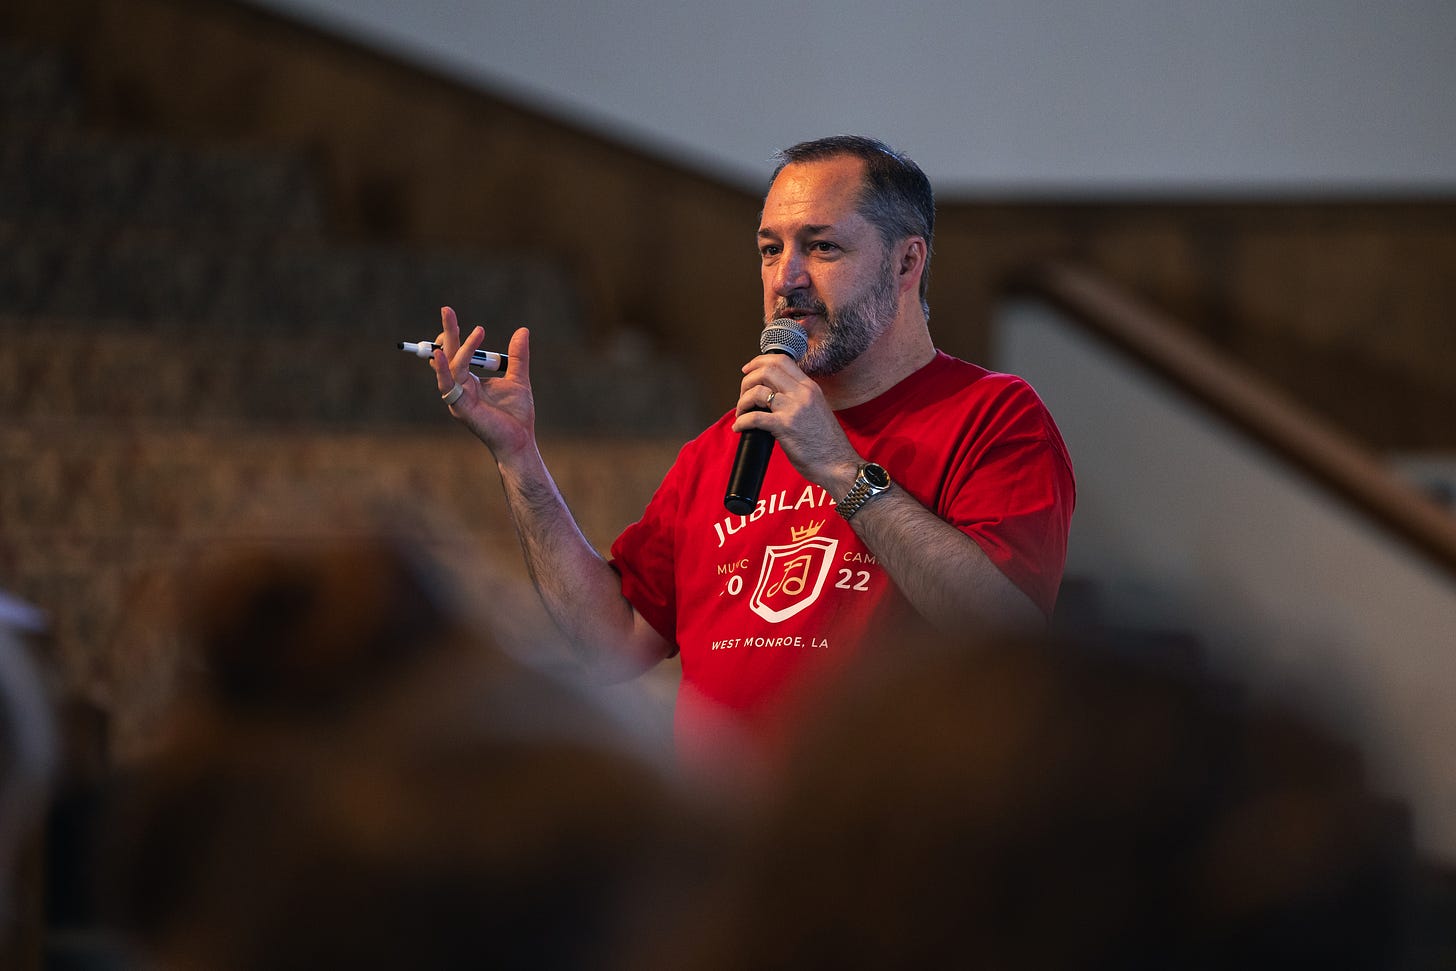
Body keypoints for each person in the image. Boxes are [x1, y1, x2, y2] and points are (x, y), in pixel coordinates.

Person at [427, 135, 1075, 763]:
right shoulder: (725, 445)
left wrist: (838, 467)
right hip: (725, 845)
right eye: (770, 249)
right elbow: (612, 639)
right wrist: (519, 460)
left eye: (821, 246)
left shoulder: (993, 416)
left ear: (907, 263)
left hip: (887, 845)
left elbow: (1003, 635)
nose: (785, 277)